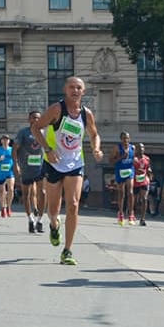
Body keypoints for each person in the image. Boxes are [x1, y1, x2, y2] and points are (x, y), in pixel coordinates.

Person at [33, 76, 103, 266]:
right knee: (53, 210)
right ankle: (54, 225)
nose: (75, 90)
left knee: (73, 204)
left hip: (75, 163)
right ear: (65, 89)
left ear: (83, 91)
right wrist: (48, 149)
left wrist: (96, 148)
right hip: (54, 163)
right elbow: (36, 128)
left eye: (78, 88)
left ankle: (67, 250)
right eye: (71, 87)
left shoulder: (86, 114)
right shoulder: (57, 109)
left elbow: (94, 134)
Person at [14, 111, 46, 234]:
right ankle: (30, 219)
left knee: (42, 192)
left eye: (38, 118)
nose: (36, 119)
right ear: (29, 119)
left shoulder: (44, 132)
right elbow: (15, 149)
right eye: (34, 118)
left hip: (40, 168)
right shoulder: (23, 133)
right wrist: (16, 165)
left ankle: (40, 220)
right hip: (26, 168)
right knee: (26, 194)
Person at [109, 132, 136, 225]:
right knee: (121, 193)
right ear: (121, 139)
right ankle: (120, 212)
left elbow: (134, 159)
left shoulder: (133, 148)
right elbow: (111, 161)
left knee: (130, 191)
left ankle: (131, 213)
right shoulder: (117, 148)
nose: (126, 140)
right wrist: (121, 157)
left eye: (127, 138)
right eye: (124, 138)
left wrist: (135, 161)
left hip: (129, 171)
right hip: (120, 171)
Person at [0, 135, 16, 217]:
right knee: (1, 191)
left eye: (7, 139)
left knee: (11, 189)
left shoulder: (12, 150)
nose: (5, 141)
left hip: (10, 172)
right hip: (1, 173)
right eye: (3, 139)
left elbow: (17, 159)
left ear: (9, 141)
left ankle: (9, 207)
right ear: (1, 141)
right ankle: (2, 207)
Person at [132, 143, 152, 226]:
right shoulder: (133, 158)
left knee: (144, 199)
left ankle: (142, 219)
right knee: (135, 201)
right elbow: (130, 168)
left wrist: (150, 173)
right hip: (135, 181)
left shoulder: (147, 158)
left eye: (142, 148)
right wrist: (136, 171)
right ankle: (132, 214)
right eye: (139, 148)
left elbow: (148, 168)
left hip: (144, 180)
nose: (141, 149)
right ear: (136, 149)